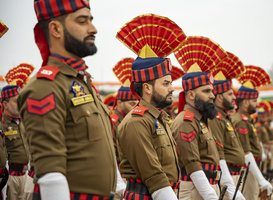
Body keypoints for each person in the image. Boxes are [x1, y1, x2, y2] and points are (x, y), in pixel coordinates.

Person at [17, 1, 124, 199]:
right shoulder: (45, 87)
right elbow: (51, 175)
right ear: (56, 28)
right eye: (82, 21)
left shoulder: (82, 83)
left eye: (91, 20)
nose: (93, 29)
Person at [116, 14, 186, 200]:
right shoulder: (136, 122)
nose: (172, 88)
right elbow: (154, 176)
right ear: (147, 87)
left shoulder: (157, 119)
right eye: (165, 83)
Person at [171, 36, 227, 200]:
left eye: (212, 90)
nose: (212, 96)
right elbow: (193, 165)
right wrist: (211, 196)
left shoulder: (200, 121)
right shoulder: (186, 121)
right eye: (207, 91)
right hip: (196, 191)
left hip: (208, 188)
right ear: (190, 94)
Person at [208, 51, 246, 200]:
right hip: (227, 176)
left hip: (236, 175)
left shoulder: (224, 117)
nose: (234, 97)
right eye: (230, 94)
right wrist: (229, 184)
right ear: (218, 97)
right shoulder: (216, 118)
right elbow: (219, 152)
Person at [232, 65, 273, 200]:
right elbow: (246, 151)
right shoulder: (241, 120)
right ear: (245, 102)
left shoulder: (246, 119)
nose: (257, 104)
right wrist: (261, 178)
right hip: (248, 168)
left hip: (252, 167)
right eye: (254, 101)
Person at [1, 63, 34, 200]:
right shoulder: (1, 125)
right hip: (11, 177)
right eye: (16, 101)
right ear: (5, 104)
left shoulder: (25, 121)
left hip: (27, 175)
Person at [110, 58, 138, 200]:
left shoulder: (128, 120)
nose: (135, 107)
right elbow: (112, 154)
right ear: (119, 102)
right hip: (117, 177)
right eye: (132, 103)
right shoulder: (114, 121)